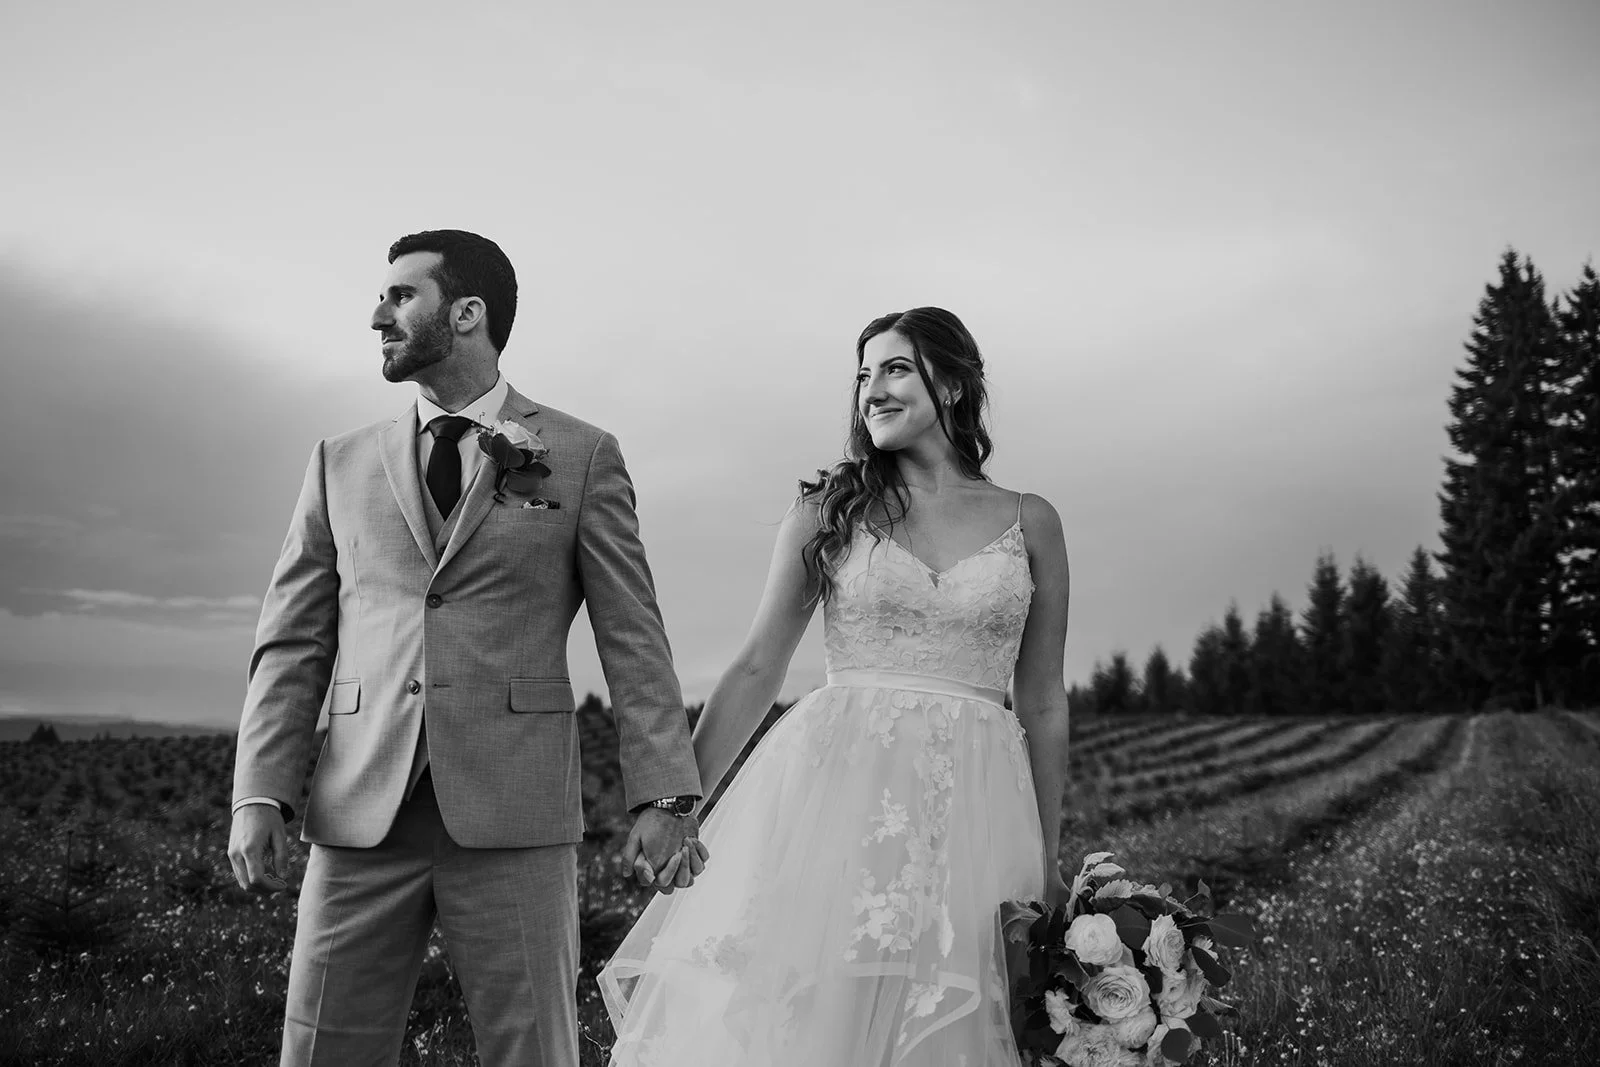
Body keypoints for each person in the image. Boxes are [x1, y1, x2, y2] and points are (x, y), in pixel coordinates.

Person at [227, 228, 706, 1066]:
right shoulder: (337, 463)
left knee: (533, 1050)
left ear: (467, 312)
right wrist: (258, 788)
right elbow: (293, 640)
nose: (378, 315)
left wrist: (663, 796)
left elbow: (633, 636)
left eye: (401, 295)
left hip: (515, 809)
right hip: (359, 809)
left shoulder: (582, 454)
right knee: (322, 1049)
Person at [599, 307, 1073, 1065]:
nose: (871, 390)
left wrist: (1046, 853)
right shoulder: (828, 511)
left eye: (895, 369)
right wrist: (677, 805)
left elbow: (1043, 700)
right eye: (862, 375)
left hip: (981, 810)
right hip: (843, 800)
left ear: (953, 385)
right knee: (822, 1016)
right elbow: (758, 666)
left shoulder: (1031, 521)